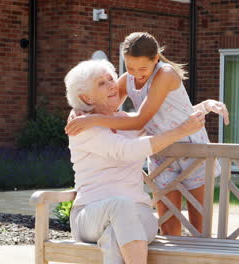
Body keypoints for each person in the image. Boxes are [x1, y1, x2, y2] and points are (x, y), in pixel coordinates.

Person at [65, 32, 229, 236]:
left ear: (156, 59)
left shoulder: (165, 74)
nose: (136, 73)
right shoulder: (129, 80)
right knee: (169, 225)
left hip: (190, 147)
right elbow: (106, 106)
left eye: (143, 68)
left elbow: (140, 120)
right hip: (160, 151)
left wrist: (91, 120)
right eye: (130, 67)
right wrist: (79, 109)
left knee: (199, 226)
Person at [65, 59, 206, 264]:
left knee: (115, 234)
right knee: (120, 207)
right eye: (101, 83)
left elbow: (163, 118)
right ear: (86, 97)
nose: (112, 85)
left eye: (111, 79)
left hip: (140, 217)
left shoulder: (127, 121)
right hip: (89, 216)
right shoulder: (82, 128)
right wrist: (180, 131)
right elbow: (126, 150)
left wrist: (204, 106)